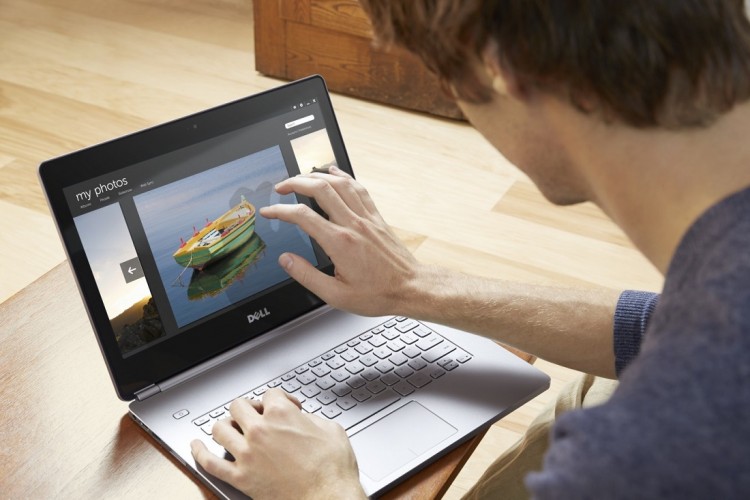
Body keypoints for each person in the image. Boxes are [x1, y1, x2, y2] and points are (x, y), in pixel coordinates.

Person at [190, 1, 750, 498]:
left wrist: (320, 488)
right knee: (592, 388)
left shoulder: (651, 451)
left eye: (446, 77)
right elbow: (661, 327)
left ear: (499, 71)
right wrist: (413, 286)